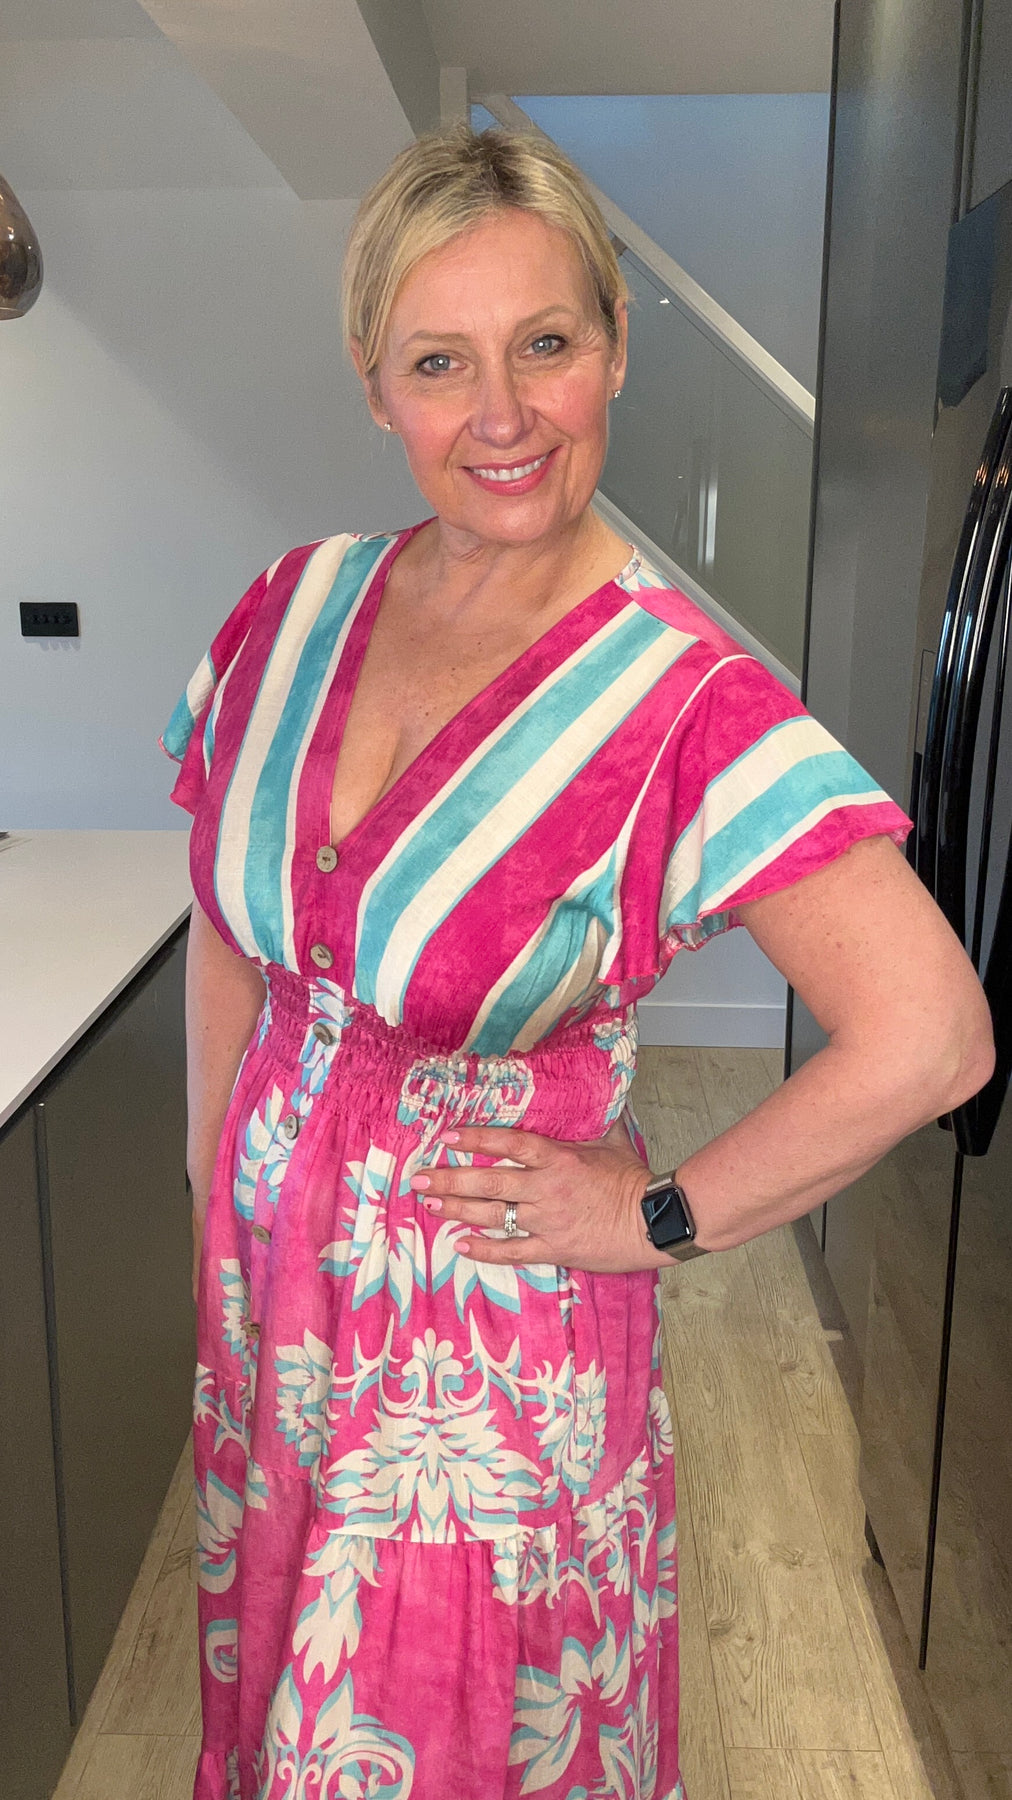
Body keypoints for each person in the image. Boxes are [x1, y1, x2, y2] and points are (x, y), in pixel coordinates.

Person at [162, 124, 993, 1800]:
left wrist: (654, 1217)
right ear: (374, 384)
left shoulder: (685, 701)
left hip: (480, 1377)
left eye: (544, 343)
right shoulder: (290, 608)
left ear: (614, 344)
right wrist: (212, 1189)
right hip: (273, 1321)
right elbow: (231, 926)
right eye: (439, 362)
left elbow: (933, 1035)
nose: (502, 414)